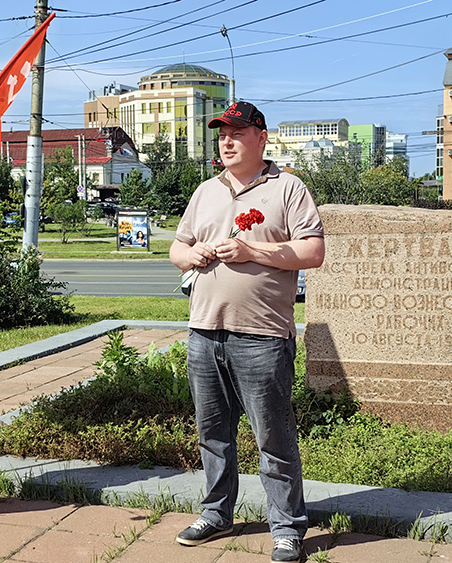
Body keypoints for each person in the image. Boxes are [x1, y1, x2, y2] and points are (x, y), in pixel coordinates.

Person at [169, 102, 325, 563]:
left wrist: (251, 250)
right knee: (212, 433)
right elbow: (178, 245)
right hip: (204, 332)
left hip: (262, 335)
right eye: (221, 133)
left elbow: (312, 252)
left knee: (273, 436)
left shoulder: (289, 188)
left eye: (237, 132)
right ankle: (216, 513)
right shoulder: (205, 191)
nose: (227, 140)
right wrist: (189, 257)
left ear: (262, 137)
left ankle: (287, 528)